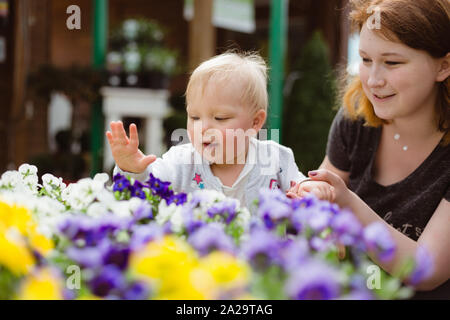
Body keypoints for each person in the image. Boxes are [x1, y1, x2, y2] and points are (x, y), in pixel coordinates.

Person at [291, 0, 450, 299]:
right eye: (365, 59)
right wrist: (312, 198)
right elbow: (323, 196)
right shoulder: (355, 119)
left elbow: (425, 270)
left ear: (444, 66)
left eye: (392, 62)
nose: (373, 80)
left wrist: (348, 204)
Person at [106, 52, 335, 213]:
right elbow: (148, 187)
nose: (203, 127)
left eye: (220, 118)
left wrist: (310, 189)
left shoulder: (275, 159)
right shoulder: (182, 161)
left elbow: (299, 188)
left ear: (256, 122)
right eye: (194, 117)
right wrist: (132, 169)